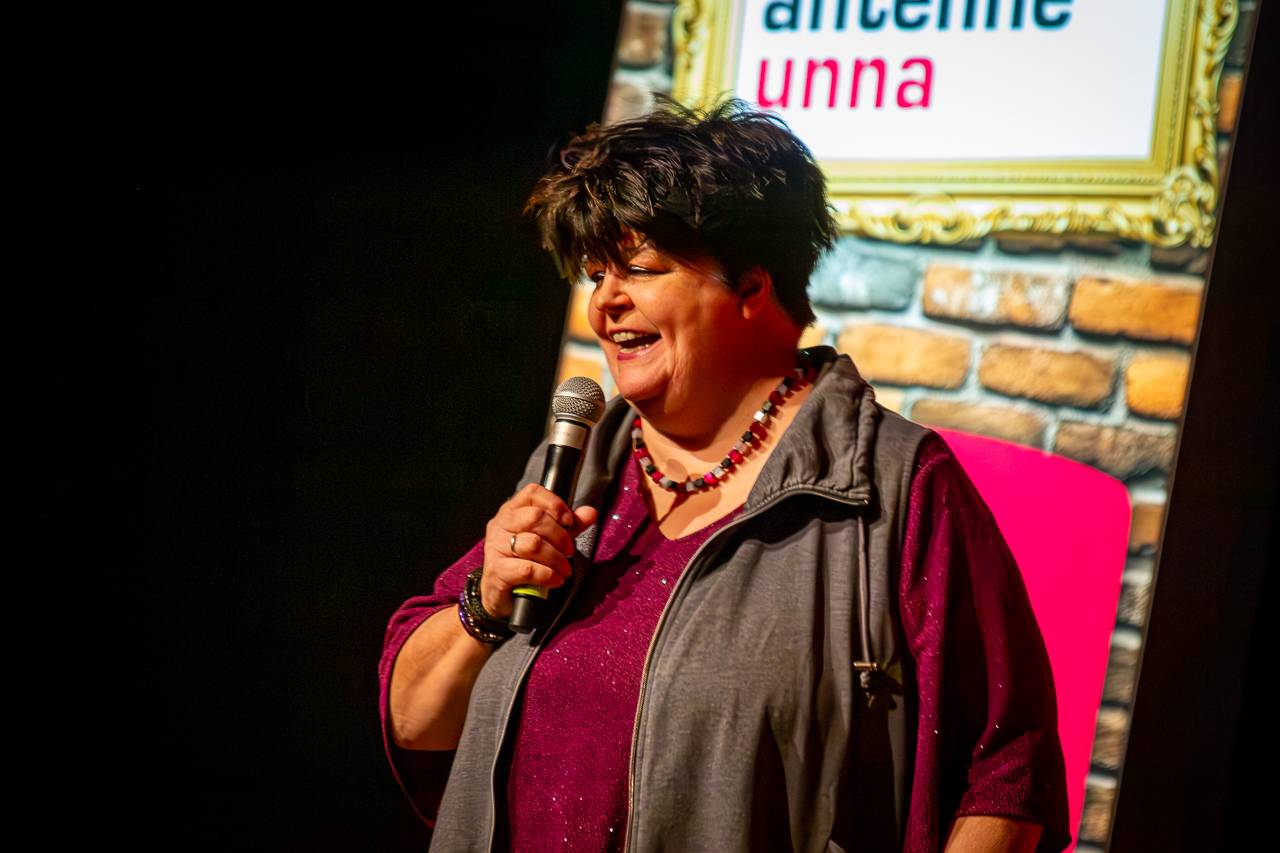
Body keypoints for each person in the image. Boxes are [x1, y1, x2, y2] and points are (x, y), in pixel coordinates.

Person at [379, 98, 1070, 852]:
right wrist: (484, 601)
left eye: (641, 269)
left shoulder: (894, 486)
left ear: (751, 288)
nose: (607, 302)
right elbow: (414, 721)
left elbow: (1007, 771)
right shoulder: (578, 471)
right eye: (597, 274)